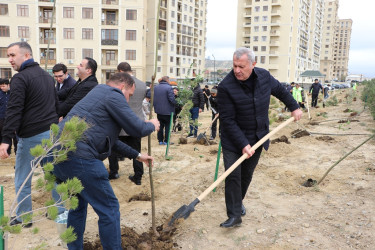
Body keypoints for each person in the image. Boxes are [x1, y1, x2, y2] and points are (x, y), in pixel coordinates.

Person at [53, 72, 160, 249]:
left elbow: (110, 140)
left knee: (78, 206)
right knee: (109, 209)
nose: (128, 100)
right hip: (81, 159)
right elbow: (137, 128)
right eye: (130, 95)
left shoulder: (98, 94)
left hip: (61, 157)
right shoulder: (113, 94)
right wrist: (152, 125)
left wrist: (137, 155)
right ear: (122, 86)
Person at [217, 47, 302, 228]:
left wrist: (294, 107)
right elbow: (228, 120)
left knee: (246, 175)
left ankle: (238, 203)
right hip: (233, 140)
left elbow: (280, 91)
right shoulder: (226, 87)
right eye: (234, 66)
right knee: (233, 175)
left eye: (241, 66)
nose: (237, 70)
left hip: (258, 136)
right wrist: (242, 144)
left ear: (253, 64)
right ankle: (234, 216)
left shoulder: (264, 77)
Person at [0, 42, 61, 228]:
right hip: (50, 134)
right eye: (8, 55)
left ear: (27, 56)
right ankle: (59, 212)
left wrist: (5, 140)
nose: (9, 59)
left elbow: (14, 109)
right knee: (52, 175)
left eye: (12, 55)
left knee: (22, 179)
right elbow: (56, 105)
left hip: (31, 137)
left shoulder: (20, 79)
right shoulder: (47, 77)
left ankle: (25, 218)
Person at [108, 62, 147, 185]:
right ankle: (138, 175)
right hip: (136, 122)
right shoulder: (142, 84)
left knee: (113, 148)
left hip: (119, 122)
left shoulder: (117, 85)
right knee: (137, 150)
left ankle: (114, 172)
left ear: (120, 71)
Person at [153, 76, 176, 145]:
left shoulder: (156, 87)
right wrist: (176, 103)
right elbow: (171, 99)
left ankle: (160, 141)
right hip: (168, 111)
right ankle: (166, 141)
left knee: (160, 126)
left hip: (159, 111)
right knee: (168, 127)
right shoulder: (169, 88)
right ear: (167, 80)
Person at [0, 78, 17, 156]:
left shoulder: (13, 94)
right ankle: (7, 151)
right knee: (4, 134)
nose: (2, 88)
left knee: (14, 135)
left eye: (3, 86)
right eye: (1, 86)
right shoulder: (0, 94)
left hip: (12, 118)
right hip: (2, 118)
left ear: (8, 85)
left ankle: (17, 152)